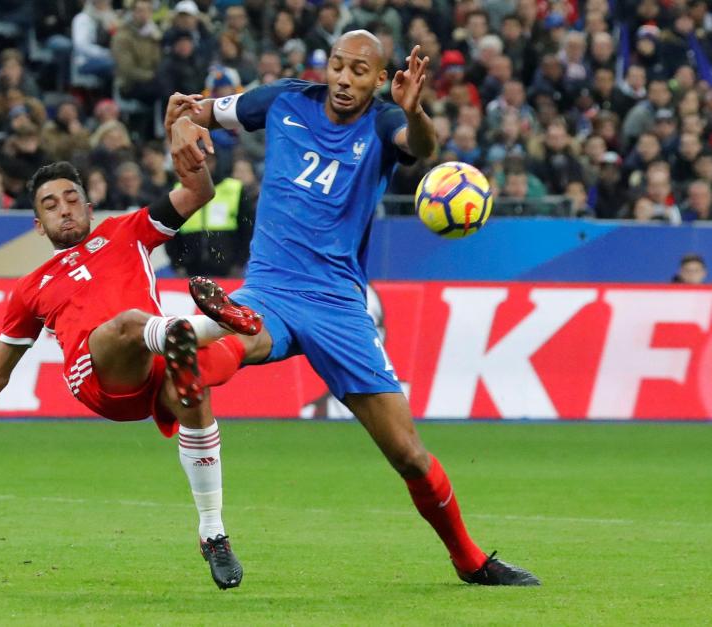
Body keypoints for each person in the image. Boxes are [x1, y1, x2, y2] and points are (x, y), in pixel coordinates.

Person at [166, 31, 539, 585]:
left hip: (340, 306)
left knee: (408, 454)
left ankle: (469, 559)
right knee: (236, 339)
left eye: (360, 71)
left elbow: (423, 148)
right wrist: (181, 120)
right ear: (328, 67)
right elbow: (195, 110)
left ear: (378, 79)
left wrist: (416, 112)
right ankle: (188, 375)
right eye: (339, 66)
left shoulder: (387, 123)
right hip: (270, 287)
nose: (345, 79)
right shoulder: (283, 100)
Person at [0, 117, 264, 591]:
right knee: (128, 326)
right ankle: (206, 324)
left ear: (90, 207)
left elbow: (198, 193)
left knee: (238, 356)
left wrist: (188, 147)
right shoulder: (31, 288)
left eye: (72, 199)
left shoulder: (129, 231)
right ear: (39, 225)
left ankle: (213, 532)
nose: (64, 210)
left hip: (157, 362)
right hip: (99, 375)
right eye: (51, 205)